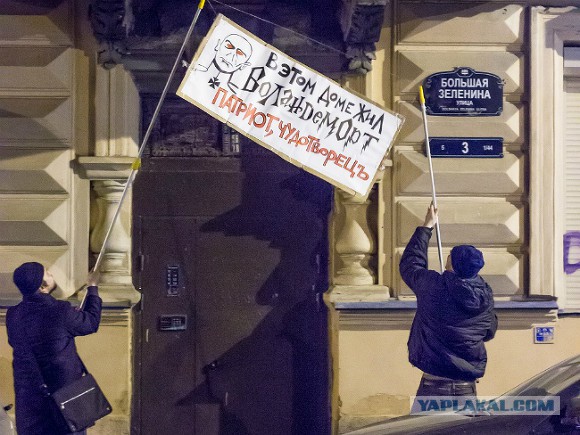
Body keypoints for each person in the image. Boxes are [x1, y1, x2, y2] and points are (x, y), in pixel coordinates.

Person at [400, 204, 497, 403]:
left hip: (433, 387)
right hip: (466, 389)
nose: (447, 256)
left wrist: (427, 226)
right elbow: (489, 332)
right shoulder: (485, 295)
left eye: (450, 255)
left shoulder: (434, 286)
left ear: (452, 263)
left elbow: (411, 264)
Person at [6, 262, 102, 435]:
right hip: (65, 400)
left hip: (29, 401)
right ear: (42, 286)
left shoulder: (13, 315)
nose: (51, 274)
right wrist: (93, 287)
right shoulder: (60, 311)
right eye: (47, 273)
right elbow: (91, 323)